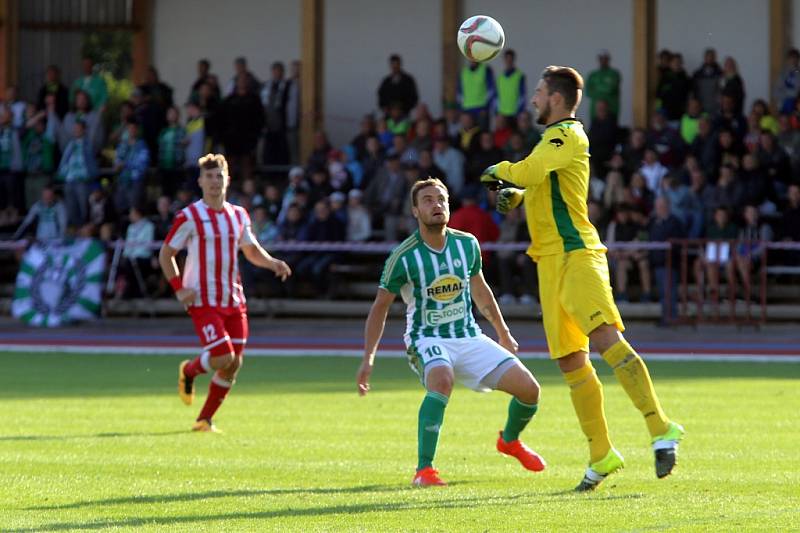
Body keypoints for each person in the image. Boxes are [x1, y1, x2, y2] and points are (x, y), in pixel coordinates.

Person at [480, 65, 684, 491]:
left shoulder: (567, 134)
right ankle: (601, 454)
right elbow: (538, 185)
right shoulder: (548, 144)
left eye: (537, 92)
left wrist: (499, 168)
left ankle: (661, 427)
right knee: (571, 361)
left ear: (555, 97)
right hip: (550, 263)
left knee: (605, 338)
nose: (533, 99)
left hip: (577, 255)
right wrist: (513, 196)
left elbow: (531, 172)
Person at [356, 177, 545, 487]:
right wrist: (369, 358)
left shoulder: (466, 244)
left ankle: (509, 441)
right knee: (442, 379)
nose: (437, 204)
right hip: (426, 337)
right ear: (415, 211)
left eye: (441, 199)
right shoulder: (403, 256)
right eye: (428, 200)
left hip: (468, 336)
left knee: (530, 391)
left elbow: (480, 290)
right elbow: (380, 307)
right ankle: (424, 470)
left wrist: (503, 332)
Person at [159, 153, 292, 432]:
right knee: (222, 356)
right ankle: (189, 371)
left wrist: (272, 263)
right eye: (208, 176)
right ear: (200, 181)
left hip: (233, 298)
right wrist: (179, 288)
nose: (214, 181)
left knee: (234, 363)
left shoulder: (237, 215)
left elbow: (251, 250)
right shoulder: (190, 216)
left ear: (227, 180)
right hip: (201, 298)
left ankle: (204, 420)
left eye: (219, 176)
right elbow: (166, 254)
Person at [585, 49, 621, 122]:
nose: (602, 61)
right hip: (595, 113)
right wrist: (603, 88)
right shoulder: (592, 75)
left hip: (611, 111)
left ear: (608, 59)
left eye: (605, 58)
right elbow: (588, 92)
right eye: (601, 58)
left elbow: (610, 89)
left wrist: (597, 88)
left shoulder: (614, 74)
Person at [496, 49, 527, 121]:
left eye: (510, 59)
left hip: (515, 114)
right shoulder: (500, 78)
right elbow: (497, 96)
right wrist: (497, 112)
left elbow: (523, 96)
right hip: (502, 114)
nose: (508, 62)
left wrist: (520, 111)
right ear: (504, 60)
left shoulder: (519, 76)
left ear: (513, 60)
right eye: (507, 59)